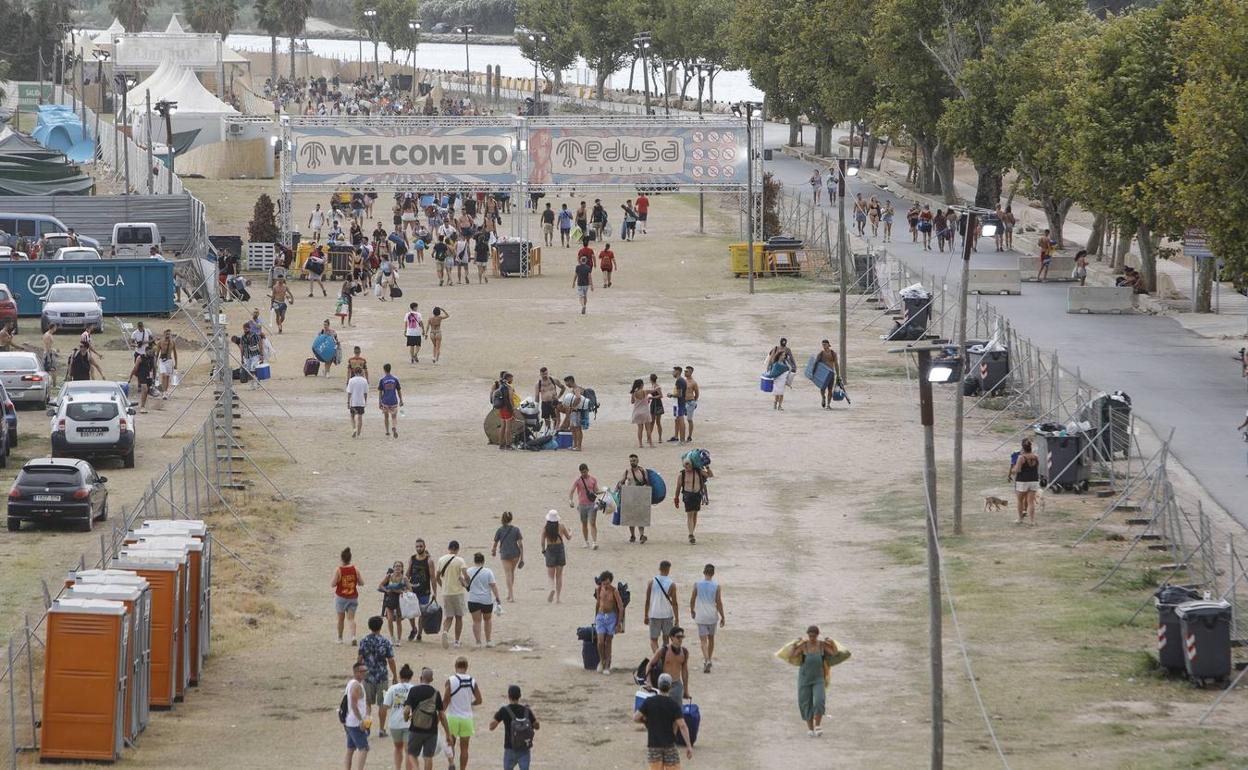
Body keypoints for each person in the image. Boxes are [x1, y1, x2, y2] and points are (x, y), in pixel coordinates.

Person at [788, 626, 842, 737]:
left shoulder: (822, 645)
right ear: (808, 635)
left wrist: (832, 642)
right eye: (810, 636)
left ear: (818, 635)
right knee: (805, 702)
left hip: (819, 678)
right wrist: (794, 644)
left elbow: (834, 653)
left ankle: (817, 725)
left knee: (819, 701)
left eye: (814, 636)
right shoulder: (803, 646)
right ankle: (810, 729)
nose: (811, 638)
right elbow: (791, 656)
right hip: (804, 678)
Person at [634, 673, 692, 770]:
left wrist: (646, 721)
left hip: (654, 745)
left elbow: (636, 718)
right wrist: (689, 746)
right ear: (670, 686)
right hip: (669, 745)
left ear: (658, 685)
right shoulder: (673, 705)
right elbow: (682, 725)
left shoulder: (649, 701)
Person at [403, 667, 452, 770]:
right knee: (428, 757)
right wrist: (448, 733)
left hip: (415, 728)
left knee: (411, 754)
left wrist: (406, 718)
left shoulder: (413, 690)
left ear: (421, 678)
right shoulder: (436, 692)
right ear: (432, 679)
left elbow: (406, 710)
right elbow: (442, 715)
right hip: (431, 729)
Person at [358, 615, 398, 729]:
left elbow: (360, 658)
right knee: (382, 704)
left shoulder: (364, 641)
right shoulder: (385, 642)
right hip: (382, 676)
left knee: (367, 704)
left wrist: (358, 673)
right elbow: (390, 660)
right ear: (380, 627)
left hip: (368, 676)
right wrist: (395, 675)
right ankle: (381, 728)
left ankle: (367, 727)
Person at [443, 657, 482, 770]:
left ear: (455, 667)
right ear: (466, 667)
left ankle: (451, 764)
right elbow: (479, 700)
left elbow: (445, 701)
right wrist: (470, 704)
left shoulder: (450, 680)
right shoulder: (472, 681)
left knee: (451, 744)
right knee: (464, 749)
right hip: (467, 718)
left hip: (453, 717)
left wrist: (439, 714)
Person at [489, 684, 539, 770]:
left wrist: (497, 716)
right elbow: (537, 726)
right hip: (524, 748)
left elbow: (491, 727)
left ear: (509, 696)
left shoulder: (504, 710)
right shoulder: (526, 710)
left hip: (510, 748)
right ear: (520, 696)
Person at [689, 564, 724, 673]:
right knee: (711, 639)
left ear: (704, 572)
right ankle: (709, 658)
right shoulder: (717, 586)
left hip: (701, 616)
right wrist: (723, 616)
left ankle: (706, 660)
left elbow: (692, 599)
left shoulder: (697, 584)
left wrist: (692, 610)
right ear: (713, 574)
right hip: (712, 616)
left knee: (703, 641)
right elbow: (719, 603)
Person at [464, 552, 501, 648]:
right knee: (487, 620)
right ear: (483, 561)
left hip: (473, 599)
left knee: (476, 621)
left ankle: (478, 642)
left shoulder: (469, 571)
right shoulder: (488, 571)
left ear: (474, 561)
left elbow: (466, 584)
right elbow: (493, 586)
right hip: (486, 600)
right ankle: (488, 641)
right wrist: (497, 598)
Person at [382, 664, 416, 770]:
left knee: (397, 748)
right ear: (411, 677)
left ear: (400, 676)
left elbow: (386, 706)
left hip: (395, 723)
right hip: (409, 723)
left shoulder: (393, 689)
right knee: (408, 751)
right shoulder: (414, 689)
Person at [437, 541, 469, 649]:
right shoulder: (460, 560)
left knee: (449, 617)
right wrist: (466, 583)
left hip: (446, 592)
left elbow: (437, 576)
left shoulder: (441, 559)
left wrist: (443, 586)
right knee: (459, 617)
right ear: (457, 549)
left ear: (449, 548)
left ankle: (445, 631)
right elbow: (465, 575)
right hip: (458, 592)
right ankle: (456, 641)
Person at [593, 570, 626, 675]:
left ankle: (607, 664)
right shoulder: (599, 589)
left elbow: (621, 608)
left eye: (607, 583)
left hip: (611, 617)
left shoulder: (614, 591)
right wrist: (596, 617)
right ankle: (602, 661)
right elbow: (598, 603)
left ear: (610, 582)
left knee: (608, 642)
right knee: (600, 642)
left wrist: (618, 623)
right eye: (604, 583)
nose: (606, 585)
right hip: (601, 616)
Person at [675, 458, 713, 545]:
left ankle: (692, 532)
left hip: (697, 495)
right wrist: (676, 498)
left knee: (695, 514)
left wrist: (707, 466)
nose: (687, 466)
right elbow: (678, 487)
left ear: (692, 464)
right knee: (690, 515)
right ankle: (691, 534)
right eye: (685, 464)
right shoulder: (682, 474)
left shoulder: (698, 471)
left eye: (688, 464)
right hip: (687, 496)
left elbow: (710, 475)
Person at [644, 561, 679, 653]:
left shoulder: (651, 582)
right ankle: (664, 659)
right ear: (668, 570)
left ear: (659, 568)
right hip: (667, 615)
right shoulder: (672, 584)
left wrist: (645, 615)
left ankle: (657, 658)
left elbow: (647, 601)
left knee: (653, 640)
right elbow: (675, 603)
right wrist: (677, 618)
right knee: (666, 640)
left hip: (654, 614)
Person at [540, 510, 572, 603]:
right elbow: (568, 537)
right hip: (560, 549)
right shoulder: (561, 526)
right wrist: (571, 531)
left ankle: (551, 589)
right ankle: (558, 598)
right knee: (559, 575)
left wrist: (543, 550)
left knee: (550, 575)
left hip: (550, 549)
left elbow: (542, 541)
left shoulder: (545, 528)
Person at [491, 511, 524, 602]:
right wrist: (522, 558)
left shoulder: (500, 530)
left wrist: (493, 551)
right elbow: (520, 544)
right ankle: (510, 594)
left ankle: (511, 595)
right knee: (512, 572)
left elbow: (495, 543)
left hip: (505, 554)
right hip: (515, 554)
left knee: (508, 574)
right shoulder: (516, 529)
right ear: (511, 519)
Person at [344, 662, 371, 770]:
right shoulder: (356, 686)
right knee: (364, 749)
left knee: (350, 749)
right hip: (355, 723)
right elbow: (354, 706)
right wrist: (361, 720)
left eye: (365, 671)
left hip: (349, 721)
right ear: (356, 673)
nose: (365, 673)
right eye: (362, 671)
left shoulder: (352, 683)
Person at [569, 463, 600, 549]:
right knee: (584, 524)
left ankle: (594, 542)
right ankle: (586, 541)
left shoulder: (593, 479)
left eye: (585, 472)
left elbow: (596, 490)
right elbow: (572, 490)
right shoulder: (578, 480)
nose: (584, 474)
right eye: (582, 472)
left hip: (591, 504)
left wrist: (604, 492)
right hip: (582, 505)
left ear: (588, 470)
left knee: (593, 523)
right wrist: (570, 500)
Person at [333, 547, 362, 644]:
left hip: (341, 597)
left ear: (341, 558)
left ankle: (340, 638)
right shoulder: (355, 569)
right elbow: (361, 582)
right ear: (350, 558)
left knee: (340, 619)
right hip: (353, 596)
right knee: (351, 618)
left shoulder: (339, 570)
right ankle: (353, 636)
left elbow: (333, 584)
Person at [619, 454, 649, 544]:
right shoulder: (627, 471)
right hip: (630, 496)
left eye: (634, 460)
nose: (633, 462)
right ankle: (632, 535)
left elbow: (647, 483)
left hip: (640, 496)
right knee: (630, 518)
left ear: (638, 461)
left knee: (641, 517)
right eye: (631, 461)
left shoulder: (643, 471)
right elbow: (621, 482)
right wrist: (622, 487)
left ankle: (641, 535)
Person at [1010, 438, 1041, 525]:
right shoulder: (1036, 456)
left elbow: (1018, 470)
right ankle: (1032, 521)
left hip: (1022, 481)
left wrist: (1012, 470)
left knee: (1020, 501)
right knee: (1031, 502)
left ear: (1023, 448)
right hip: (1034, 480)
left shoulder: (1021, 457)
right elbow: (1037, 468)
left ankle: (1020, 519)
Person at [379, 562, 408, 646]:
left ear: (402, 568)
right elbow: (380, 585)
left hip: (400, 600)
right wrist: (386, 590)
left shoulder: (404, 578)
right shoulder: (389, 576)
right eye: (396, 566)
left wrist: (401, 591)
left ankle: (399, 639)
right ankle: (392, 637)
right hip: (390, 599)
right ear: (393, 568)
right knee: (390, 619)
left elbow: (409, 589)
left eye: (399, 566)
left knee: (399, 620)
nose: (397, 568)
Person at [766, 338, 798, 411]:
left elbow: (792, 359)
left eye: (785, 342)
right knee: (777, 392)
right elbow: (770, 358)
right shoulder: (776, 349)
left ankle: (779, 406)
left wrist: (794, 367)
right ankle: (775, 403)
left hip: (783, 376)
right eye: (783, 342)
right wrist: (768, 369)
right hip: (777, 375)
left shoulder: (787, 351)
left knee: (781, 392)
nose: (784, 356)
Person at [534, 367, 565, 433]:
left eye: (546, 374)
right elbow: (537, 397)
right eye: (543, 374)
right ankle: (548, 433)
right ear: (540, 374)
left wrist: (558, 396)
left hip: (554, 402)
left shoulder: (553, 380)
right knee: (547, 420)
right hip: (545, 403)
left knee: (555, 419)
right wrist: (536, 408)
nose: (544, 375)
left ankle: (555, 432)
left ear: (547, 373)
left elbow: (563, 388)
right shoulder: (538, 384)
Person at [378, 363, 404, 439]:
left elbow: (380, 392)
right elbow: (399, 390)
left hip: (385, 401)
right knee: (394, 417)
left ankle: (387, 431)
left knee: (386, 417)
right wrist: (401, 400)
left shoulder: (382, 380)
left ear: (384, 370)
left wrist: (379, 402)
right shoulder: (395, 379)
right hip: (393, 400)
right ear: (390, 369)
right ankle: (394, 427)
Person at [128, 349, 157, 414]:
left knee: (146, 391)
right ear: (146, 351)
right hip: (141, 375)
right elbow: (135, 368)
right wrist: (130, 378)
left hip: (149, 376)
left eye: (152, 352)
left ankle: (143, 404)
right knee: (145, 389)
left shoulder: (153, 358)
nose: (151, 353)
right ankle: (142, 407)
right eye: (149, 352)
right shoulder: (140, 357)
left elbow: (154, 368)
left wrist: (154, 378)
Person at [493, 372, 516, 449]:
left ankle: (501, 444)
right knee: (508, 428)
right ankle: (508, 444)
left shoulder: (501, 386)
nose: (512, 380)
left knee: (502, 426)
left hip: (501, 408)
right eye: (511, 378)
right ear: (508, 378)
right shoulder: (509, 387)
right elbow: (510, 399)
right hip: (507, 409)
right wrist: (513, 409)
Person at [815, 339, 840, 409]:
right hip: (823, 375)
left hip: (831, 374)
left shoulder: (833, 353)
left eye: (825, 344)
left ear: (828, 345)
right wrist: (813, 372)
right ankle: (823, 397)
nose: (823, 346)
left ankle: (828, 404)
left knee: (830, 389)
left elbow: (836, 364)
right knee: (822, 389)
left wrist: (838, 375)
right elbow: (816, 363)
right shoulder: (821, 353)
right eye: (822, 345)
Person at [155, 329, 178, 398]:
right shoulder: (160, 342)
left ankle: (165, 392)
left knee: (167, 377)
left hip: (169, 361)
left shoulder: (172, 342)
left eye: (169, 334)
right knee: (163, 375)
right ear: (164, 334)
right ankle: (163, 390)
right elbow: (157, 354)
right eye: (167, 334)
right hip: (162, 361)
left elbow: (175, 353)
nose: (168, 335)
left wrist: (176, 364)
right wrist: (155, 363)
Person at [669, 366, 689, 444]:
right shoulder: (681, 380)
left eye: (674, 371)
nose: (672, 373)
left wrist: (671, 395)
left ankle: (682, 440)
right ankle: (680, 439)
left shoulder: (679, 381)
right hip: (680, 403)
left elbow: (679, 394)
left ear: (678, 372)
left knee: (681, 421)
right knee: (678, 420)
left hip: (679, 403)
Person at [347, 369, 369, 438]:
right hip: (361, 402)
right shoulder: (364, 380)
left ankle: (354, 429)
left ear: (354, 372)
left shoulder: (351, 380)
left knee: (352, 416)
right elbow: (365, 393)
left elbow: (349, 392)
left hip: (354, 402)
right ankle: (359, 434)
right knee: (360, 417)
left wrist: (348, 402)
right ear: (361, 372)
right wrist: (365, 401)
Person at [631, 379, 652, 448]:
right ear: (641, 385)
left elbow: (632, 402)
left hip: (637, 412)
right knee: (648, 429)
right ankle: (651, 444)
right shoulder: (645, 391)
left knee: (640, 429)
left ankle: (640, 444)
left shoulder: (634, 393)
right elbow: (654, 390)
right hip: (645, 412)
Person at [682, 367, 700, 441]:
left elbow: (697, 394)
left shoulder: (693, 382)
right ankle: (681, 435)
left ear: (691, 372)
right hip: (683, 402)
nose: (685, 373)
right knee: (679, 418)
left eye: (686, 371)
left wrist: (694, 402)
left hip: (690, 402)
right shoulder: (683, 381)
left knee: (689, 419)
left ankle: (689, 436)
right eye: (685, 371)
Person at [647, 374, 665, 444]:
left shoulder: (657, 387)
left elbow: (661, 396)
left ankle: (659, 438)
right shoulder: (653, 386)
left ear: (650, 379)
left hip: (657, 404)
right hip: (654, 403)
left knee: (657, 422)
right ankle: (649, 438)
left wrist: (651, 398)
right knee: (653, 422)